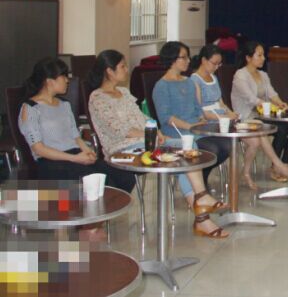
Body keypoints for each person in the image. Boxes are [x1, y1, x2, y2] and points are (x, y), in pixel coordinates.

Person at [87, 49, 229, 238]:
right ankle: (202, 213)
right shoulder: (97, 98)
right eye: (122, 66)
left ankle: (201, 201)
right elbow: (119, 129)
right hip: (123, 149)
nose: (127, 69)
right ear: (109, 71)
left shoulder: (124, 92)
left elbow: (142, 117)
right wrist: (151, 134)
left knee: (187, 147)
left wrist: (156, 130)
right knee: (180, 153)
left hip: (146, 142)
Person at [18, 57, 136, 193]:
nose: (67, 80)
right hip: (51, 162)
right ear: (49, 81)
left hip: (75, 155)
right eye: (63, 76)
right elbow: (39, 149)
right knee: (103, 182)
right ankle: (99, 205)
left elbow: (75, 136)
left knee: (124, 177)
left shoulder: (64, 104)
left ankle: (109, 205)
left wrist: (87, 151)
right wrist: (74, 158)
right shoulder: (31, 108)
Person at [194, 44, 288, 189]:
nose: (216, 67)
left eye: (219, 64)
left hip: (224, 119)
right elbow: (200, 111)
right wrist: (223, 117)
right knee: (258, 130)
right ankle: (278, 164)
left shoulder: (213, 77)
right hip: (211, 122)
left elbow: (221, 103)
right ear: (203, 60)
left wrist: (230, 113)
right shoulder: (195, 80)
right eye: (214, 63)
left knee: (255, 141)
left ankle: (246, 173)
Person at [152, 41, 230, 189]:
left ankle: (201, 178)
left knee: (227, 145)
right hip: (176, 131)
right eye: (184, 57)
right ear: (172, 60)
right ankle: (198, 185)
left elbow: (197, 107)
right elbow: (166, 117)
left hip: (195, 128)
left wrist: (200, 118)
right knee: (211, 149)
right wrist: (190, 126)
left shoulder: (188, 82)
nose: (188, 61)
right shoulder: (161, 86)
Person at [230, 41, 288, 181]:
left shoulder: (263, 75)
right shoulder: (240, 76)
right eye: (259, 55)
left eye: (263, 55)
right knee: (281, 130)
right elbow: (252, 99)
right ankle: (277, 166)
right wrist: (272, 107)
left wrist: (280, 103)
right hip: (247, 117)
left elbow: (272, 94)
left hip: (263, 115)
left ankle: (280, 163)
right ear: (248, 58)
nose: (263, 58)